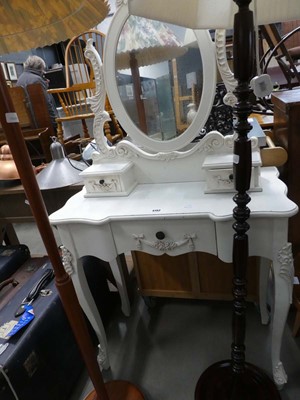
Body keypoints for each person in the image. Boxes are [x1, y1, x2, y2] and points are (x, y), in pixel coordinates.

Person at [16, 55, 58, 129]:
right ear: (40, 67)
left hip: (29, 124)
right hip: (44, 122)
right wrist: (55, 122)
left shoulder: (19, 80)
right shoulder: (37, 79)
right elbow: (46, 102)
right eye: (43, 69)